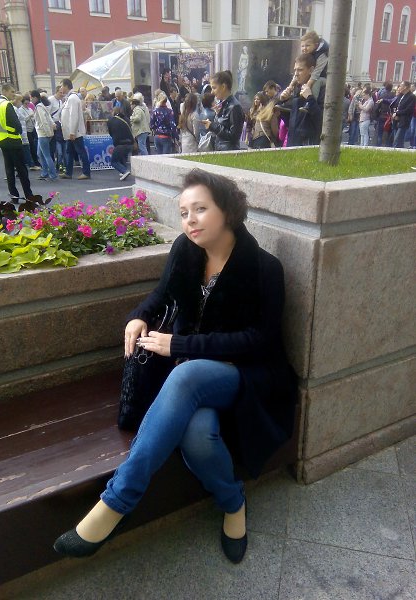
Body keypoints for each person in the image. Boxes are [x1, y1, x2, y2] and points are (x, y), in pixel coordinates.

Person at [53, 168, 297, 563]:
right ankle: (233, 502)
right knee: (198, 434)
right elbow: (163, 293)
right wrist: (138, 316)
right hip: (193, 373)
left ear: (228, 210)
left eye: (200, 209)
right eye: (184, 213)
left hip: (247, 374)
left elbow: (260, 340)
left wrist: (180, 344)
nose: (190, 220)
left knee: (186, 372)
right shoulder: (186, 250)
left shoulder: (264, 268)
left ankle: (117, 502)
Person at [0, 82, 34, 200]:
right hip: (13, 140)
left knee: (9, 169)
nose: (14, 94)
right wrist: (18, 130)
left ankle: (14, 195)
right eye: (12, 91)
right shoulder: (6, 104)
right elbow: (16, 124)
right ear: (4, 91)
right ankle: (29, 195)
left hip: (2, 139)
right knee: (22, 170)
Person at [280, 54, 324, 147]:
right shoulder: (297, 89)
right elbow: (290, 122)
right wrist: (283, 101)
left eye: (300, 70)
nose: (296, 73)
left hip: (307, 146)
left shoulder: (321, 89)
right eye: (295, 70)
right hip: (292, 145)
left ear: (311, 70)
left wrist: (310, 98)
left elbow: (321, 121)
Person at [202, 70, 244, 151]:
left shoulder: (235, 107)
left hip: (229, 153)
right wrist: (217, 115)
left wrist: (212, 126)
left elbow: (234, 136)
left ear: (223, 87)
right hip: (221, 150)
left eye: (214, 88)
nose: (212, 92)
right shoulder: (223, 105)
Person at [59, 78, 91, 180]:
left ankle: (86, 172)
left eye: (61, 86)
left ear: (66, 86)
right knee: (70, 152)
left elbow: (74, 116)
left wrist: (72, 132)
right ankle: (68, 173)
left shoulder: (72, 98)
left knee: (81, 152)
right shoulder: (69, 98)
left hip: (74, 132)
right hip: (71, 132)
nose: (60, 88)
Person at [299, 30, 329, 113]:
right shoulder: (310, 53)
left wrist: (307, 86)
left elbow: (316, 73)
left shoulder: (323, 54)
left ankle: (310, 102)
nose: (304, 48)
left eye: (307, 45)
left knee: (316, 82)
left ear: (316, 45)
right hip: (314, 75)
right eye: (302, 46)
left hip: (324, 77)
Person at [30, 90, 57, 181]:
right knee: (41, 154)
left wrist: (48, 133)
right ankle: (45, 173)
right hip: (43, 133)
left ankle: (52, 175)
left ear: (35, 97)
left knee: (46, 155)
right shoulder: (41, 106)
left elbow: (44, 121)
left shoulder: (39, 107)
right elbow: (48, 118)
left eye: (31, 98)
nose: (31, 100)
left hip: (43, 134)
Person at [107, 105, 134, 180]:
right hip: (130, 143)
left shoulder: (111, 121)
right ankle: (124, 171)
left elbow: (110, 133)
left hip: (120, 144)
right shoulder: (126, 119)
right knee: (123, 157)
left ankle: (124, 171)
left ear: (113, 112)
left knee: (114, 161)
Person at [390, 81, 416, 149]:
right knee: (398, 141)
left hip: (404, 120)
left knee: (397, 140)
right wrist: (395, 114)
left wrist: (397, 113)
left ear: (405, 87)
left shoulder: (412, 97)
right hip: (396, 119)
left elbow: (408, 110)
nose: (399, 87)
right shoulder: (401, 95)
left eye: (401, 86)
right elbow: (396, 106)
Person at [374, 82, 395, 147]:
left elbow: (378, 106)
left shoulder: (382, 95)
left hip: (382, 115)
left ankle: (378, 145)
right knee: (389, 132)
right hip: (389, 116)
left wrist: (376, 115)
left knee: (380, 133)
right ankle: (388, 146)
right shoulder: (393, 95)